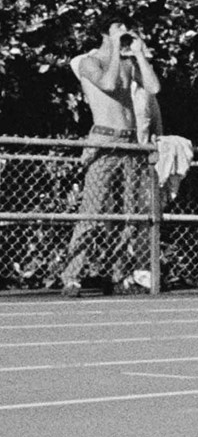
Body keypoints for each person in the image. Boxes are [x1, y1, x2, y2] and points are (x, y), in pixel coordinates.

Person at [62, 20, 163, 296]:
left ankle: (119, 274)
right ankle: (72, 276)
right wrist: (116, 49)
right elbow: (108, 84)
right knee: (93, 211)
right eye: (119, 29)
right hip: (105, 139)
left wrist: (140, 54)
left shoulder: (128, 63)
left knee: (131, 213)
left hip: (131, 141)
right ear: (105, 33)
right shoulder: (89, 62)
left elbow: (153, 89)